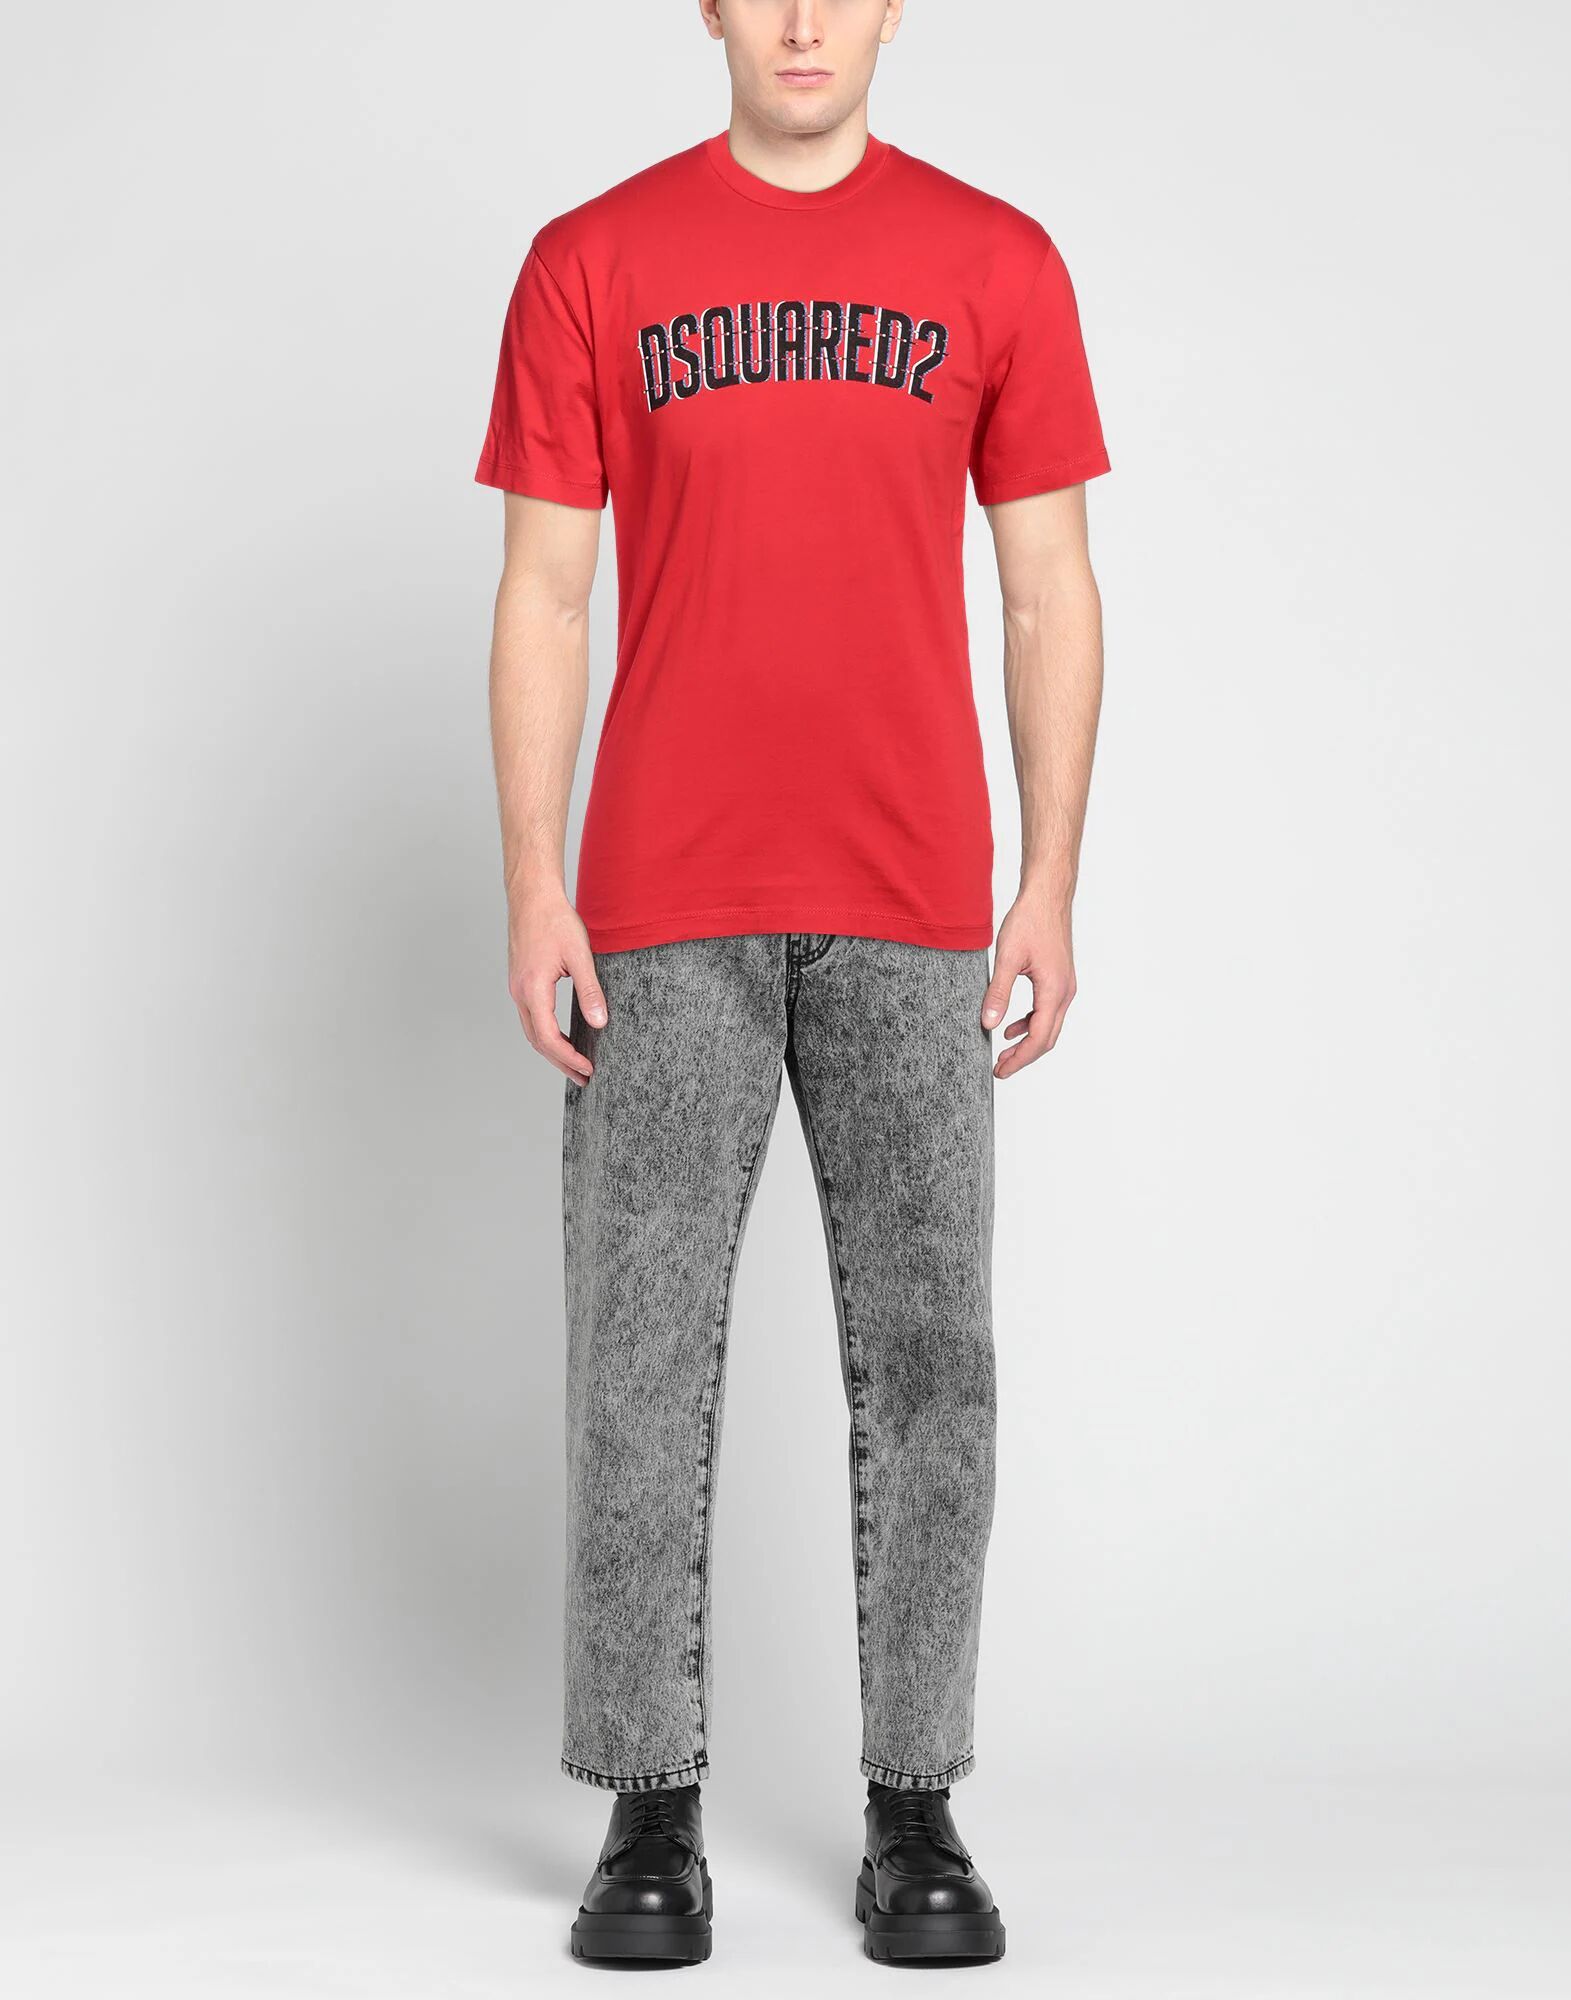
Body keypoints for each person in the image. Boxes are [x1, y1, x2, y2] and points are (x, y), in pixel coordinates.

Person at [476, 0, 1107, 1967]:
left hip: (914, 896)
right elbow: (545, 588)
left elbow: (1048, 586)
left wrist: (1051, 878)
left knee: (935, 1369)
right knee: (639, 1360)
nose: (807, 18)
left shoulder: (998, 263)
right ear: (712, 5)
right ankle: (645, 1810)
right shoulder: (593, 261)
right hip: (660, 898)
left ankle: (917, 1808)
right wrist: (534, 879)